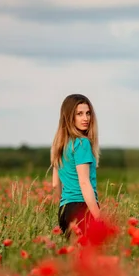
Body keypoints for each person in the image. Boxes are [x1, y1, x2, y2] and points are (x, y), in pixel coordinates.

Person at [51, 94, 100, 236]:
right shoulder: (81, 143)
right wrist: (98, 217)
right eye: (79, 114)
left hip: (65, 210)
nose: (86, 118)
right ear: (69, 116)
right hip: (82, 208)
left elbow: (55, 184)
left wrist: (64, 207)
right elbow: (84, 183)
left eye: (88, 113)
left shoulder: (59, 145)